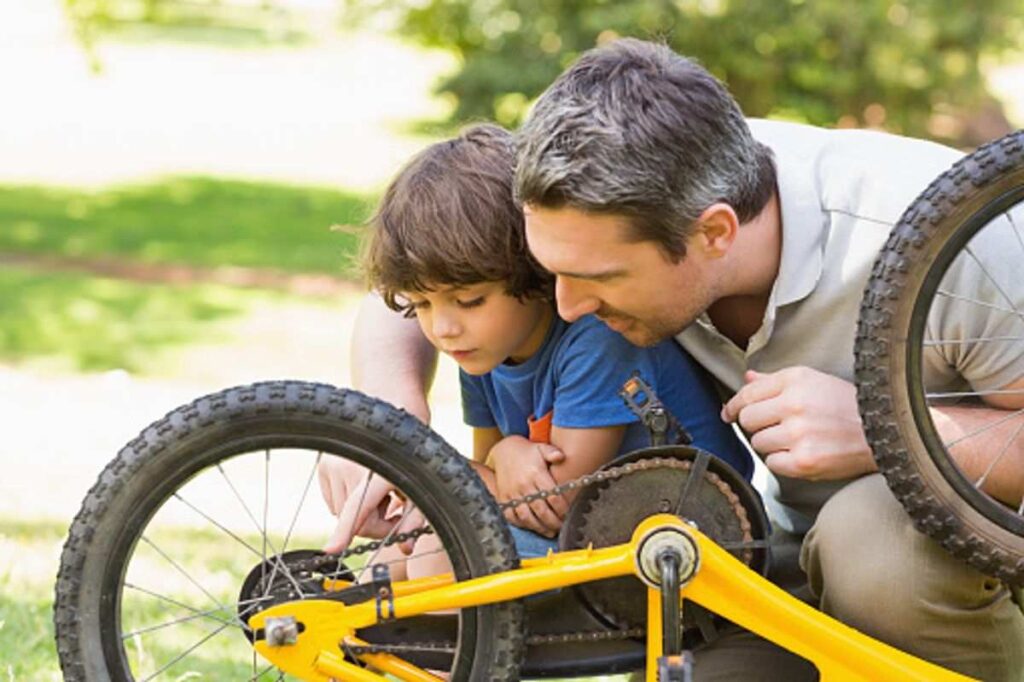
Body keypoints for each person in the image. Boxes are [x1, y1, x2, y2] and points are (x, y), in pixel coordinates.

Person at [345, 39, 1024, 680]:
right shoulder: (593, 187)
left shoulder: (951, 238)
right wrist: (390, 421)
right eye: (550, 271)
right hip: (769, 552)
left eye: (600, 280)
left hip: (950, 554)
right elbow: (429, 255)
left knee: (869, 545)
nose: (568, 306)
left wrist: (885, 430)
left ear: (714, 234)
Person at [319, 123, 752, 566]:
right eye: (423, 305)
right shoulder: (480, 349)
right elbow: (491, 473)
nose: (443, 327)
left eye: (468, 300)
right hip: (598, 529)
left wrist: (453, 466)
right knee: (389, 560)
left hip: (695, 533)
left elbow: (556, 502)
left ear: (534, 269)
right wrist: (481, 470)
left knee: (438, 558)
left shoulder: (597, 339)